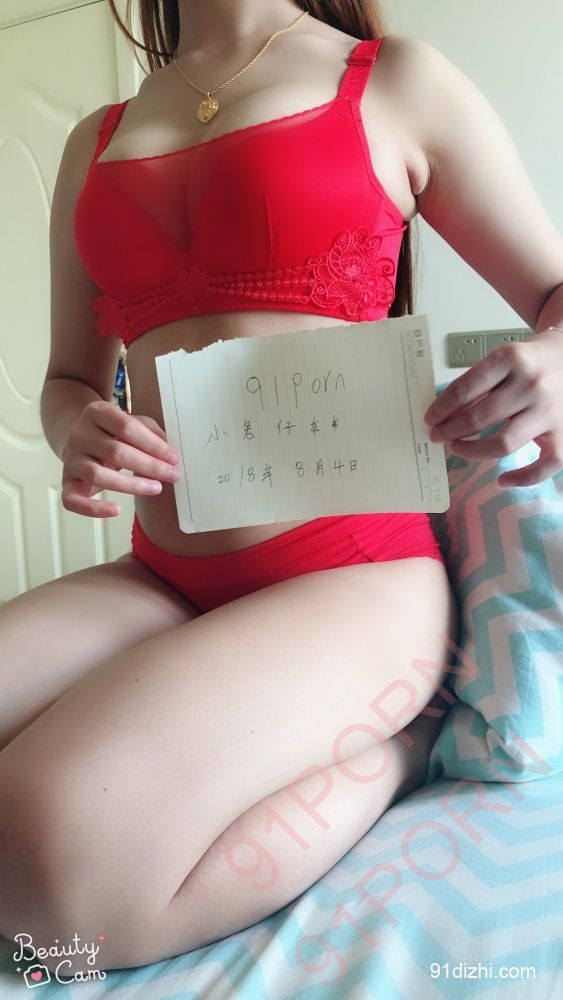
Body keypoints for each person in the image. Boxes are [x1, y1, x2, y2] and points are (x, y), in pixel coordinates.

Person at [1, 0, 563, 978]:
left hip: (355, 578)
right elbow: (67, 381)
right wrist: (76, 428)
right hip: (164, 576)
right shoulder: (96, 137)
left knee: (41, 882)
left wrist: (552, 361)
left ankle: (400, 742)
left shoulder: (391, 80)